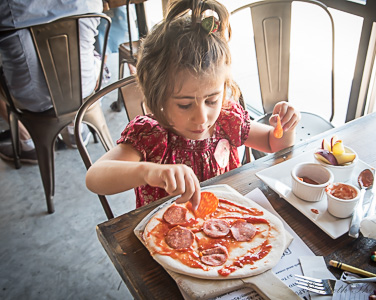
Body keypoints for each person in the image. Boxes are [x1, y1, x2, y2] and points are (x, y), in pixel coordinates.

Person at [85, 0, 301, 210]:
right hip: (167, 235)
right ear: (157, 97)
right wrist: (148, 172)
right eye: (185, 105)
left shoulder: (227, 118)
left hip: (223, 224)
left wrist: (286, 128)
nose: (202, 117)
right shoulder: (150, 135)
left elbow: (275, 147)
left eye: (211, 100)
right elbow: (95, 178)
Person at [0, 0, 103, 162]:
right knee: (87, 47)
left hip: (29, 98)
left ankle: (27, 140)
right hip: (84, 87)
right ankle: (75, 129)